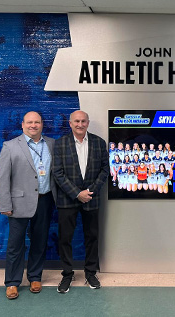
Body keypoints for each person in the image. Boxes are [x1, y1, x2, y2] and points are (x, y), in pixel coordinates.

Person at [0, 111, 56, 300]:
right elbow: (2, 178)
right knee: (15, 245)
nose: (33, 125)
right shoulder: (10, 146)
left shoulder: (52, 144)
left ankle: (35, 277)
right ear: (22, 125)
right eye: (29, 122)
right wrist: (5, 204)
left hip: (45, 200)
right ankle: (12, 282)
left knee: (40, 241)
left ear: (42, 124)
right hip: (18, 202)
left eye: (37, 122)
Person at [53, 110, 109, 293]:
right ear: (70, 123)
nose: (80, 124)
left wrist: (89, 192)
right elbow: (58, 173)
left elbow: (104, 170)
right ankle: (67, 274)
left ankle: (90, 273)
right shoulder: (60, 144)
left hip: (91, 199)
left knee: (92, 237)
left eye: (83, 121)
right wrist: (77, 193)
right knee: (65, 238)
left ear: (88, 122)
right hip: (67, 199)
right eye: (76, 121)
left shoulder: (99, 143)